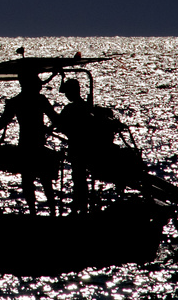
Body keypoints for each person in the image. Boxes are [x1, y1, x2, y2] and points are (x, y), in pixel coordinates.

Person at [0, 68, 59, 212]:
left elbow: (2, 121)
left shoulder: (18, 101)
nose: (39, 84)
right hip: (35, 146)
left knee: (29, 181)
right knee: (43, 181)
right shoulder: (38, 100)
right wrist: (49, 128)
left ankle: (34, 211)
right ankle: (52, 211)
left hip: (26, 146)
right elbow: (55, 118)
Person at [51, 78, 127, 214]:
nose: (67, 96)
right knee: (81, 178)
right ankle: (82, 205)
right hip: (89, 149)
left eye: (67, 93)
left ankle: (79, 206)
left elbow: (58, 123)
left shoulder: (71, 109)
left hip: (79, 148)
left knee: (78, 178)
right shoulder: (87, 106)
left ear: (72, 92)